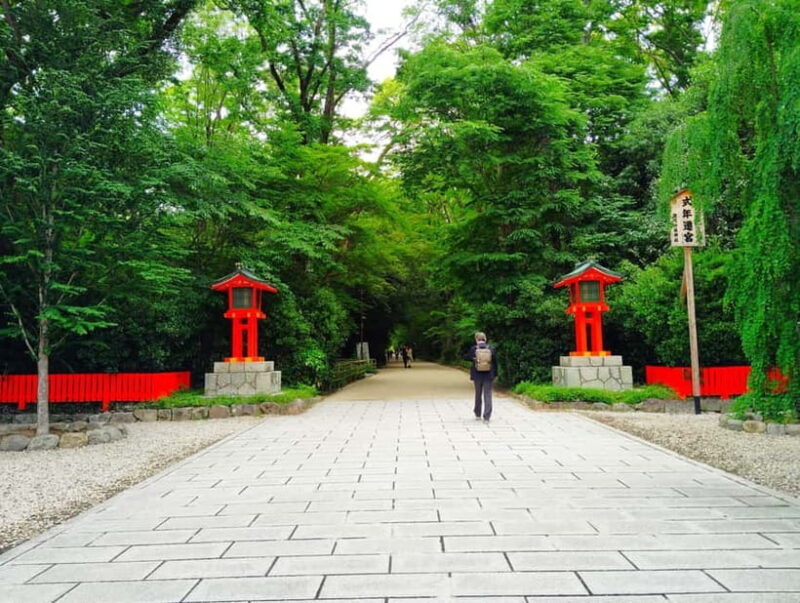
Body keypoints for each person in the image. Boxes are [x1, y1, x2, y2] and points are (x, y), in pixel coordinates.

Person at [464, 331, 498, 421]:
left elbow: (466, 357)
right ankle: (487, 415)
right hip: (488, 375)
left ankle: (477, 413)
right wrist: (495, 374)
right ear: (485, 339)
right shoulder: (491, 349)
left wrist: (473, 358)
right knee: (488, 395)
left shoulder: (474, 348)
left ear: (476, 339)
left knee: (478, 394)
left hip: (477, 375)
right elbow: (495, 362)